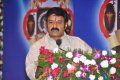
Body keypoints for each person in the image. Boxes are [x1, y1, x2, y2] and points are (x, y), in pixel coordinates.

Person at [26, 7, 92, 80]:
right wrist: (44, 70)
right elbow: (30, 71)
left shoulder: (77, 43)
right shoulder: (37, 47)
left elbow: (93, 61)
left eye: (59, 22)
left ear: (66, 24)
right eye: (51, 22)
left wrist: (77, 68)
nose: (54, 26)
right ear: (46, 24)